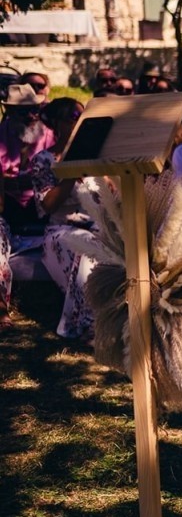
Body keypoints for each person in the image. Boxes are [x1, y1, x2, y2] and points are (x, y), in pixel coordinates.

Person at [30, 97, 96, 339]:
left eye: (82, 116)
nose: (78, 122)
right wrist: (71, 173)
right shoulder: (42, 161)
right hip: (60, 229)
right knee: (87, 247)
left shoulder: (95, 157)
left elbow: (112, 197)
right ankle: (86, 323)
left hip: (96, 227)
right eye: (72, 117)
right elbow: (47, 205)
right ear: (57, 124)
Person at [0, 83, 55, 229]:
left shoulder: (50, 133)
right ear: (9, 112)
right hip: (8, 203)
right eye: (23, 112)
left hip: (42, 202)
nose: (32, 116)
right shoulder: (2, 132)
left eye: (35, 109)